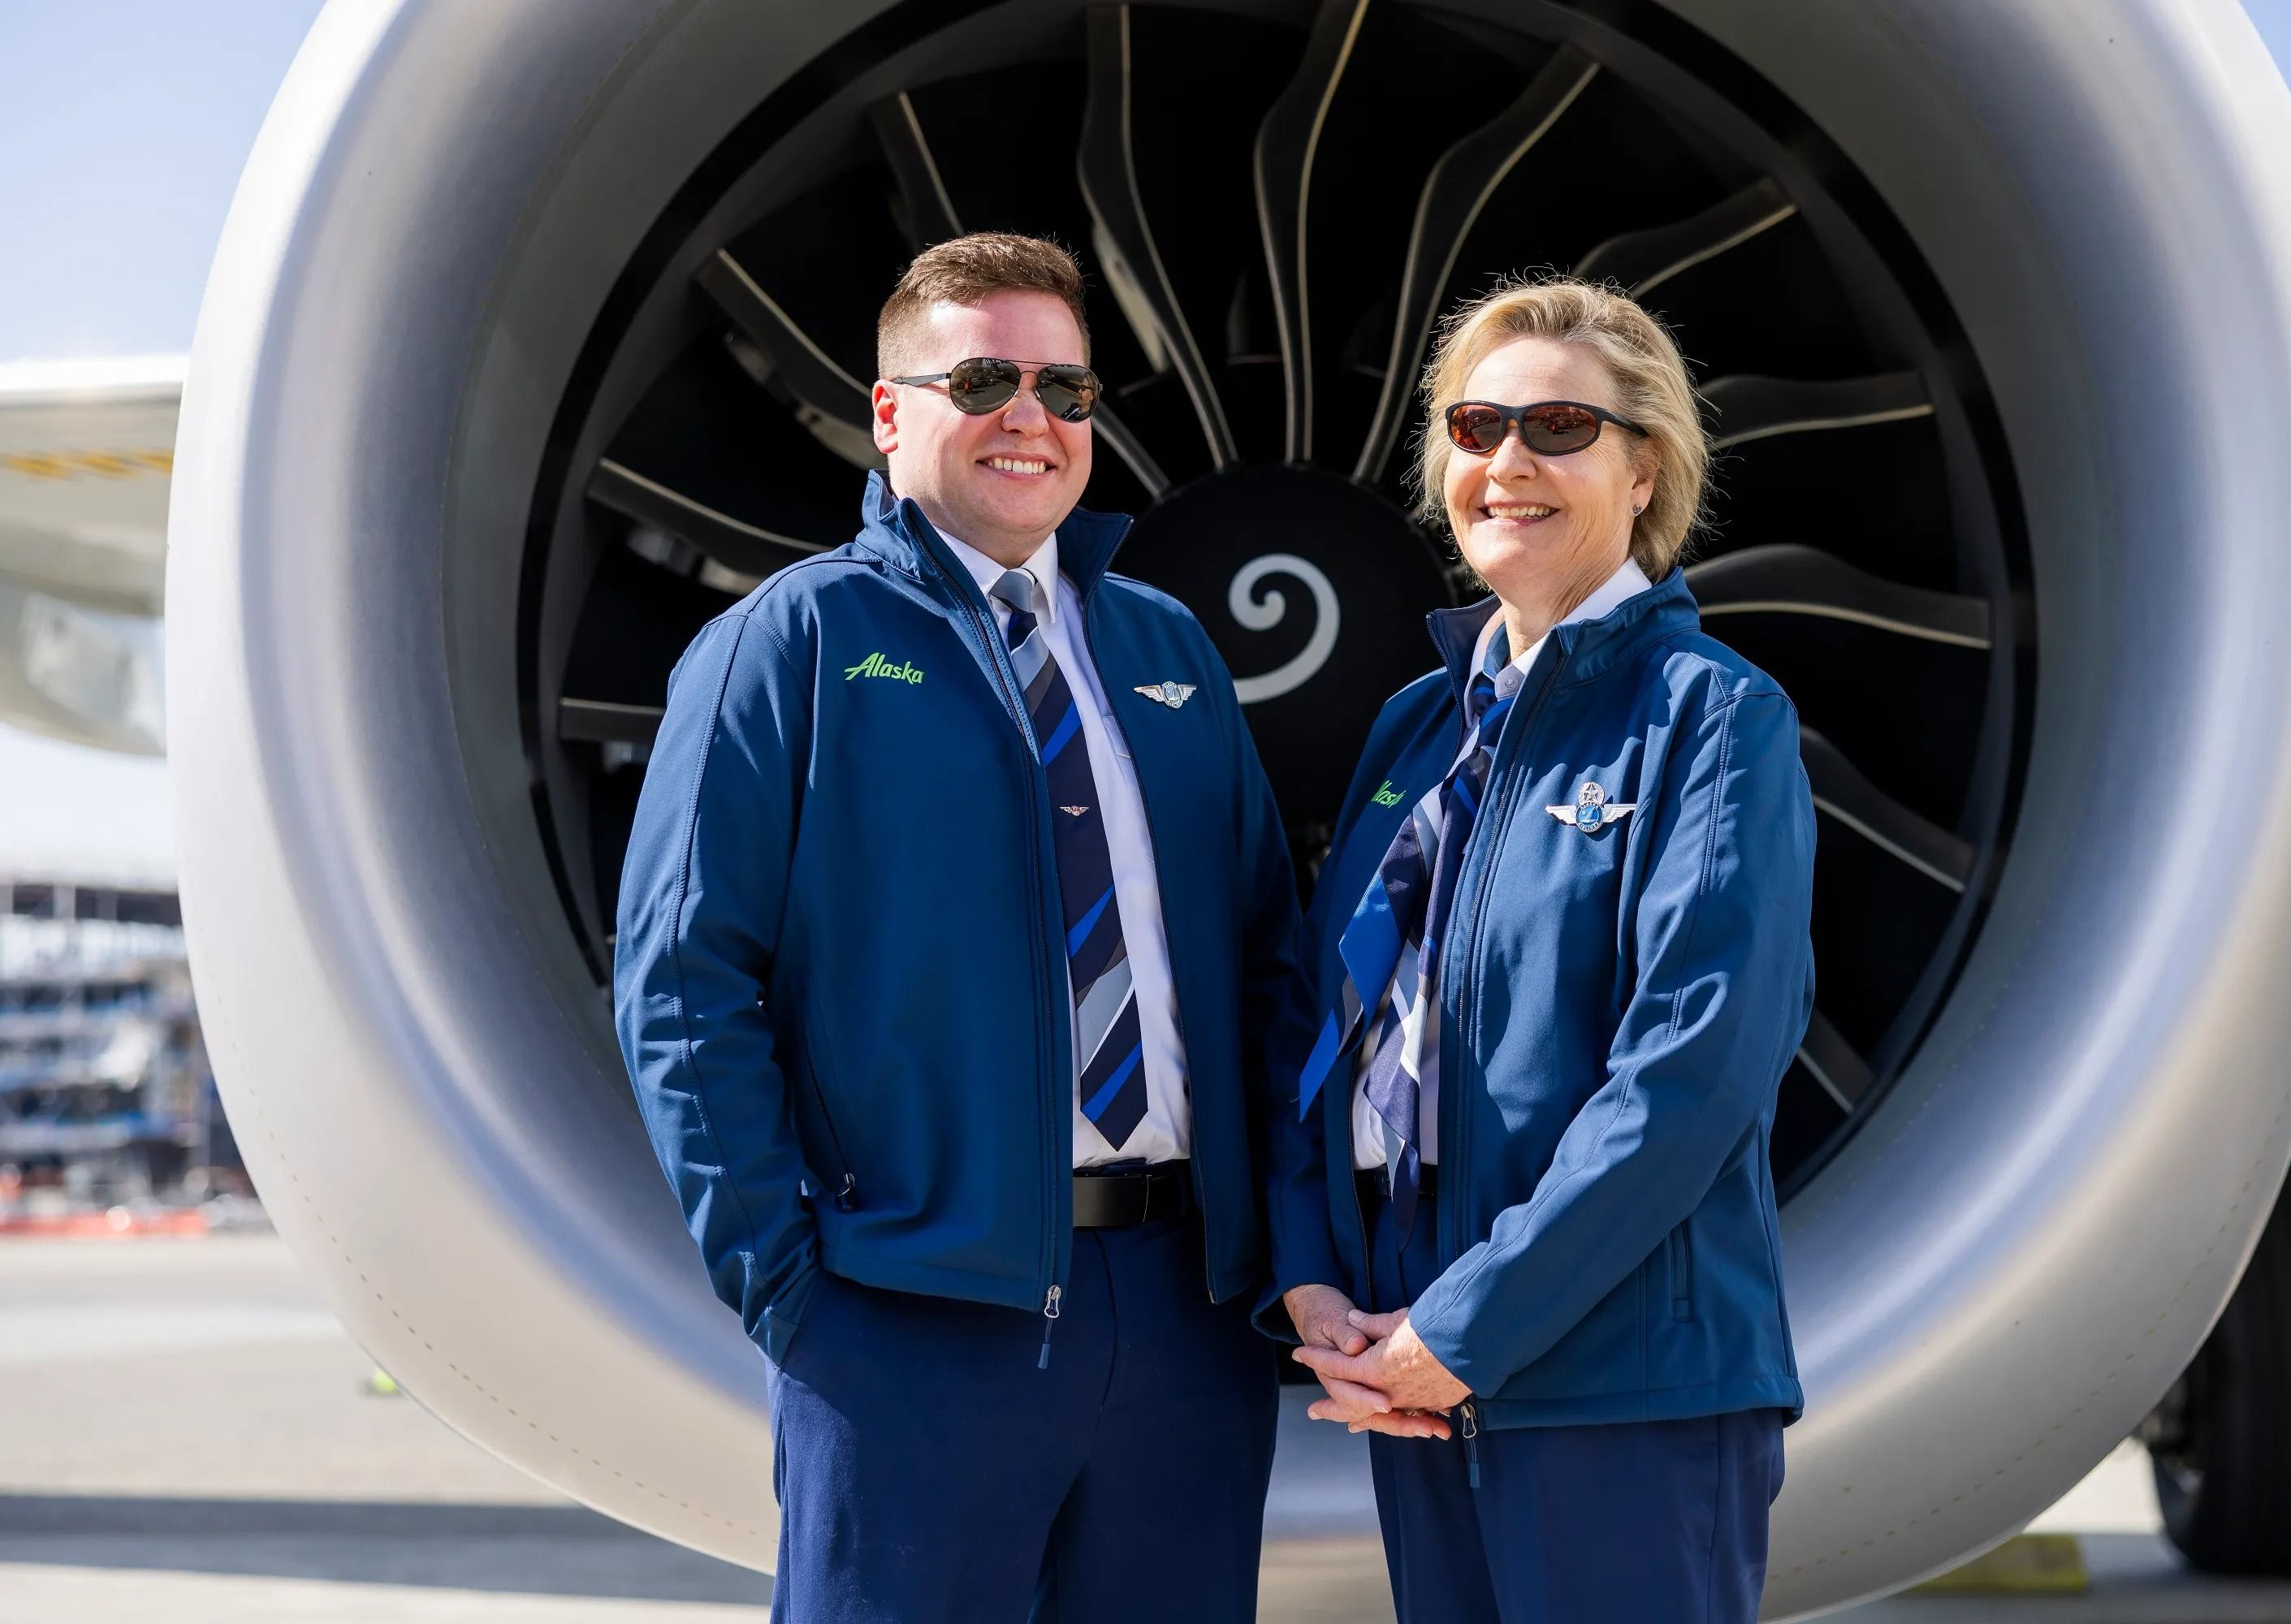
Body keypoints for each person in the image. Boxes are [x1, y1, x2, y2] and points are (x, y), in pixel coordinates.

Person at [613, 232, 1300, 1624]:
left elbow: (1269, 965)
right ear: (889, 411)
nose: (1029, 418)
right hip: (910, 1325)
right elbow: (684, 990)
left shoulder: (1168, 652)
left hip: (1181, 1319)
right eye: (983, 376)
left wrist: (1279, 1259)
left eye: (1064, 385)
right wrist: (796, 1297)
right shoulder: (787, 648)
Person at [1269, 276, 1816, 1623]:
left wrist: (1472, 1328)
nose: (1507, 463)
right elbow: (1326, 1030)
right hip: (1417, 1372)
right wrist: (1316, 1279)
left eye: (1560, 427)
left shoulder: (1712, 720)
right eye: (1476, 425)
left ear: (1646, 471)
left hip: (1616, 1389)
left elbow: (1690, 1076)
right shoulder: (1420, 729)